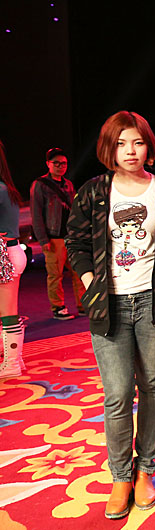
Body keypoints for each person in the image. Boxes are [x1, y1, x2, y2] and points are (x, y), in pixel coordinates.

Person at [65, 111, 155, 519]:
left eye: (137, 142)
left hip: (154, 304)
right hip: (109, 305)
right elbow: (76, 242)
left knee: (151, 387)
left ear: (148, 145)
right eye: (121, 143)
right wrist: (90, 283)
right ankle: (120, 476)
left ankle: (144, 471)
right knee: (117, 393)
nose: (130, 151)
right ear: (109, 148)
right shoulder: (94, 192)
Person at [30, 147, 86, 320]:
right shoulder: (40, 185)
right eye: (56, 163)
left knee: (79, 272)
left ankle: (83, 305)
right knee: (55, 275)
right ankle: (58, 307)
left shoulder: (68, 184)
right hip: (53, 237)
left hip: (71, 236)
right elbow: (36, 214)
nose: (61, 166)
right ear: (48, 164)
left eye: (64, 163)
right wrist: (43, 239)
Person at [0, 139, 27, 380]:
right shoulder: (5, 188)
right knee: (7, 311)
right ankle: (14, 360)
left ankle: (12, 363)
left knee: (8, 312)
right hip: (11, 251)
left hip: (5, 254)